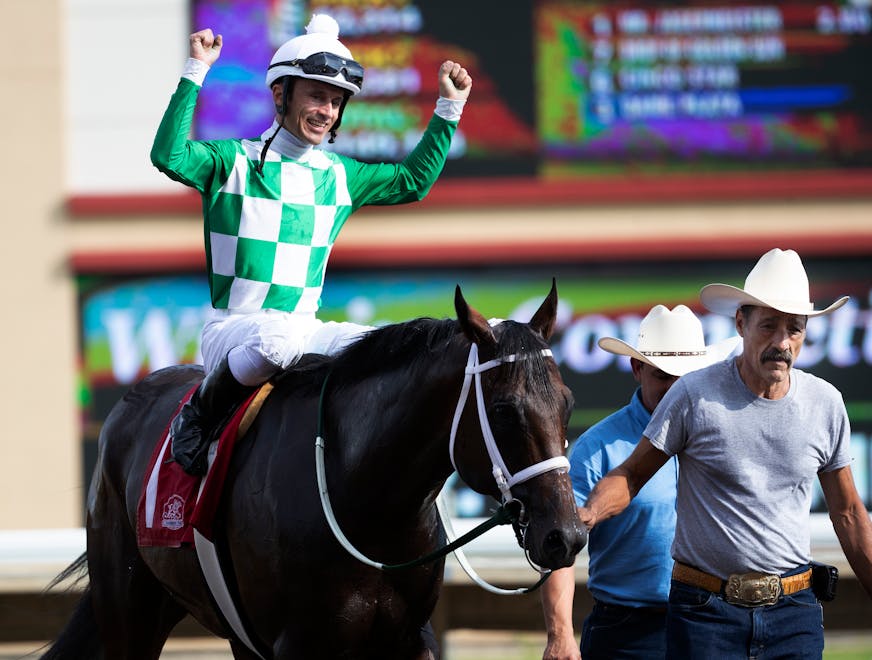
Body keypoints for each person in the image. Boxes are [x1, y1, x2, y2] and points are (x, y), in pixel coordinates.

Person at [150, 14, 472, 475]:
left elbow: (412, 182)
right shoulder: (231, 161)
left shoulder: (340, 175)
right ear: (280, 94)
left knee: (388, 347)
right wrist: (196, 69)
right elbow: (168, 154)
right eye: (317, 96)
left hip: (306, 329)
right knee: (277, 341)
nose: (327, 111)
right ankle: (199, 413)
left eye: (337, 101)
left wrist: (448, 107)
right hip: (237, 332)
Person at [578, 248, 872, 658]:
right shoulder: (693, 395)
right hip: (705, 616)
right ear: (741, 323)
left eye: (795, 329)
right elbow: (631, 475)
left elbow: (849, 513)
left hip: (794, 612)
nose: (782, 342)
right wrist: (587, 515)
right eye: (769, 326)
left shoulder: (826, 404)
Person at [541, 304, 737, 660]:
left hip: (714, 621)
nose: (676, 387)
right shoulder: (597, 447)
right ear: (637, 369)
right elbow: (562, 547)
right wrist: (560, 635)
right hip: (626, 632)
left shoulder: (723, 435)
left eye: (686, 375)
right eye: (663, 375)